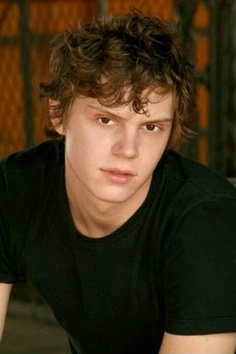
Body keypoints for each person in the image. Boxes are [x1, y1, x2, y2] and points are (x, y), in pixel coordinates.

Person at [0, 8, 236, 354]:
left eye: (151, 127)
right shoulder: (15, 190)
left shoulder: (205, 221)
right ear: (58, 113)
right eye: (106, 120)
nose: (128, 150)